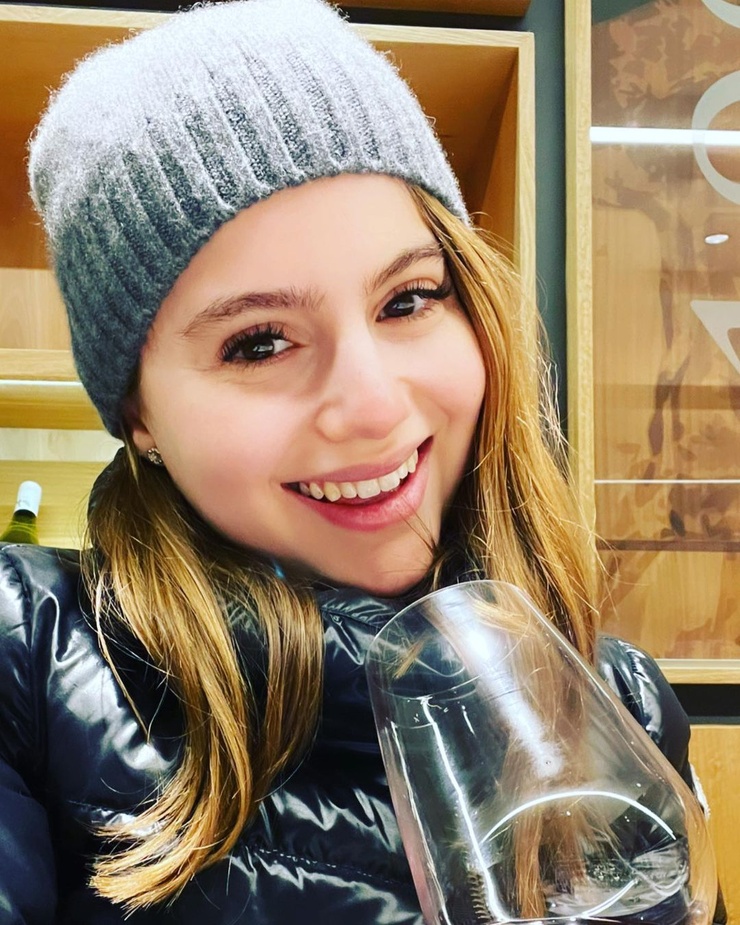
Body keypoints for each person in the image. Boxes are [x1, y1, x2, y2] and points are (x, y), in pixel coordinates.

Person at [0, 0, 724, 922]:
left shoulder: (622, 697)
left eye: (408, 299)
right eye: (259, 342)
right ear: (139, 413)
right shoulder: (29, 660)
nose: (375, 405)